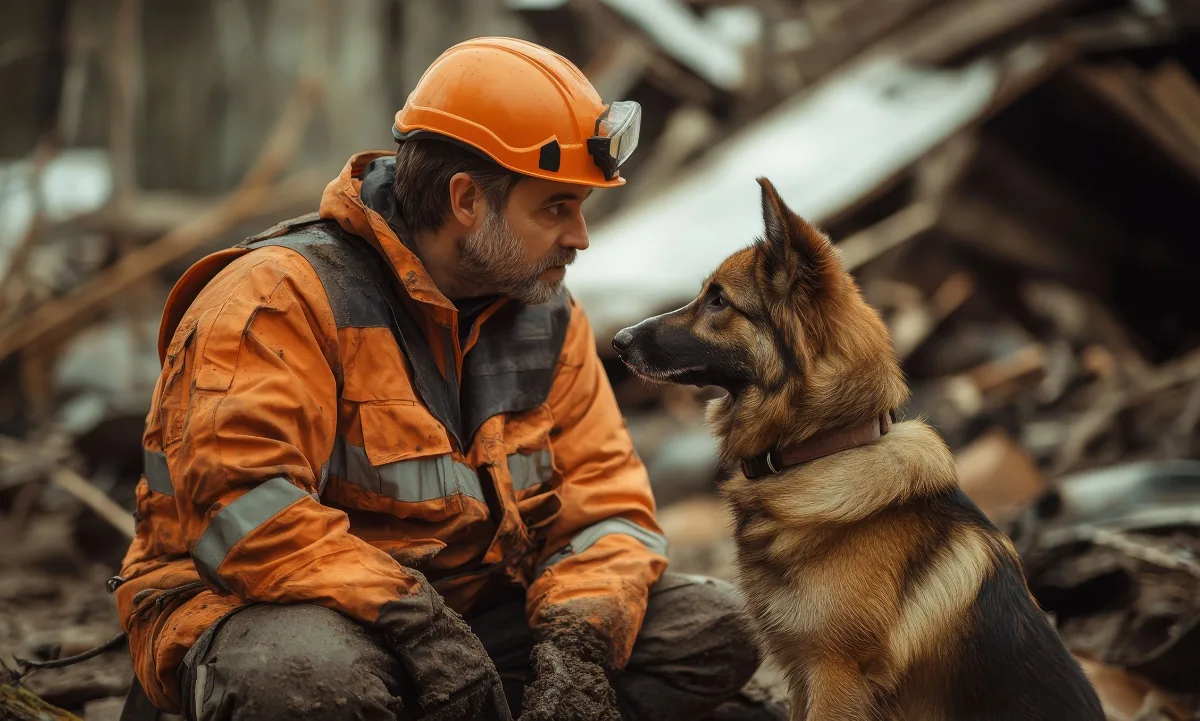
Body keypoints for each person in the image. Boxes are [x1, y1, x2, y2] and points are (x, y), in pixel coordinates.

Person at [113, 37, 776, 721]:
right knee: (310, 678)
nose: (580, 235)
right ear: (465, 199)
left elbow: (607, 509)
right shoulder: (277, 299)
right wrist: (420, 627)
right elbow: (248, 520)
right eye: (556, 207)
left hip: (467, 620)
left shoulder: (547, 318)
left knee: (720, 624)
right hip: (265, 610)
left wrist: (577, 644)